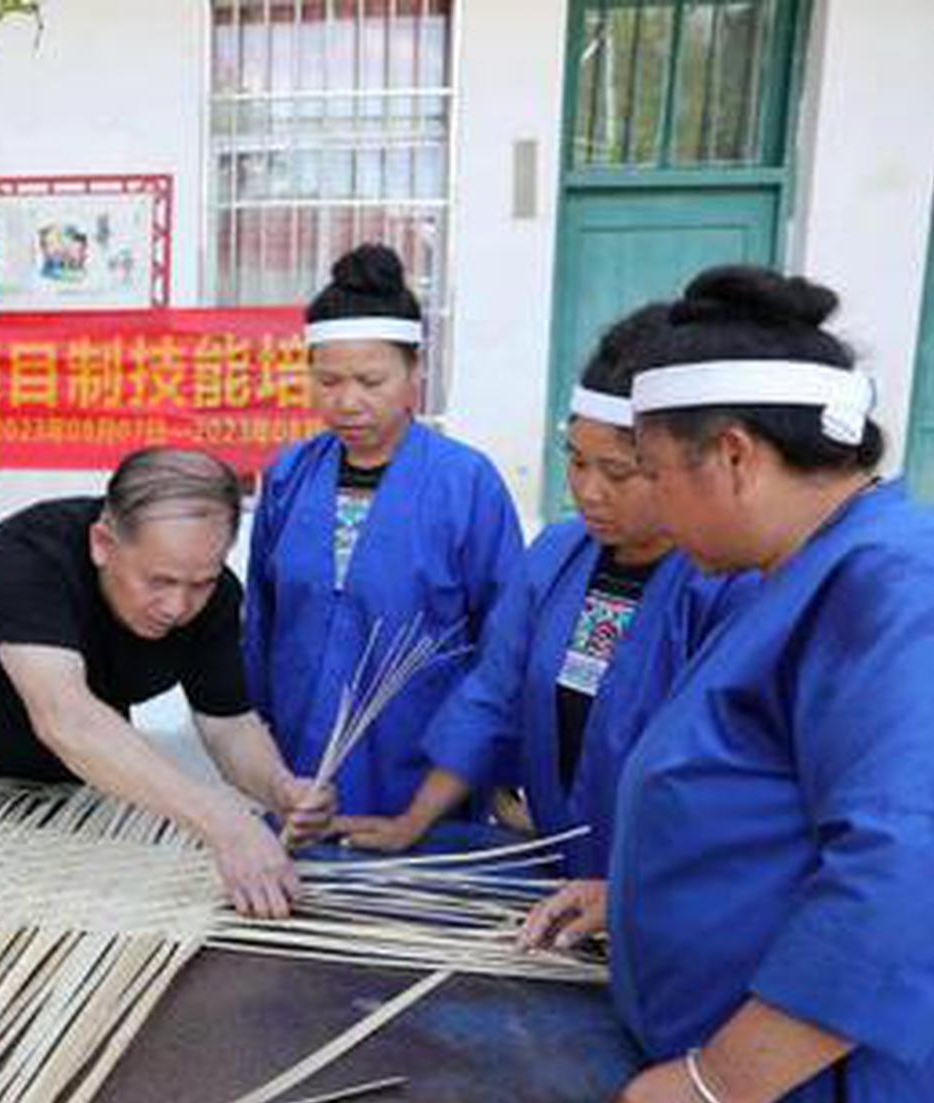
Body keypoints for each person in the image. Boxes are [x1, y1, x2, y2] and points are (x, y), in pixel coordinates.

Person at [523, 267, 934, 1102]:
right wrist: (634, 898)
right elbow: (761, 814)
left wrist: (718, 1081)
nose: (645, 501)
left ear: (735, 457)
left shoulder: (891, 585)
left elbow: (903, 869)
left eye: (651, 471)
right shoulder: (795, 573)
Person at [335, 306, 752, 875]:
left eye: (618, 472)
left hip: (669, 875)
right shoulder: (558, 554)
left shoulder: (723, 579)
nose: (589, 491)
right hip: (560, 862)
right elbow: (493, 693)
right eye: (577, 462)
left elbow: (726, 768)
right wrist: (413, 821)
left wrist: (636, 890)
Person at [0, 448, 336, 919]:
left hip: (65, 786)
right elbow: (67, 719)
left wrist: (278, 787)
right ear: (102, 543)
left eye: (201, 583)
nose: (178, 607)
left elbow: (228, 724)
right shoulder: (27, 558)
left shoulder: (214, 598)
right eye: (159, 581)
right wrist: (222, 822)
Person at [244, 243, 524, 817]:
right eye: (328, 380)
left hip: (420, 774)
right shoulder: (289, 476)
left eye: (371, 381)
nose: (348, 402)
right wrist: (260, 756)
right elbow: (262, 623)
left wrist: (488, 773)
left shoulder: (465, 484)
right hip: (298, 765)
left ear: (415, 373)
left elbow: (505, 641)